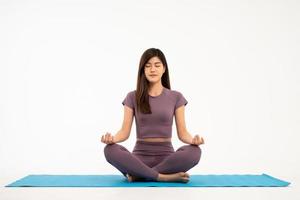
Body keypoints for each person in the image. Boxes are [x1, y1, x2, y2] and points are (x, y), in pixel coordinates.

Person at [101, 48, 205, 183]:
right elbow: (124, 132)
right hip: (138, 159)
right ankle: (162, 177)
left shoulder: (176, 97)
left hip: (167, 159)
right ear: (143, 70)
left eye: (157, 65)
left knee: (195, 152)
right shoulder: (132, 97)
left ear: (164, 69)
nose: (152, 69)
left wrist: (193, 141)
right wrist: (112, 139)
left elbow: (183, 133)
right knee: (110, 150)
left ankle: (141, 175)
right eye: (148, 66)